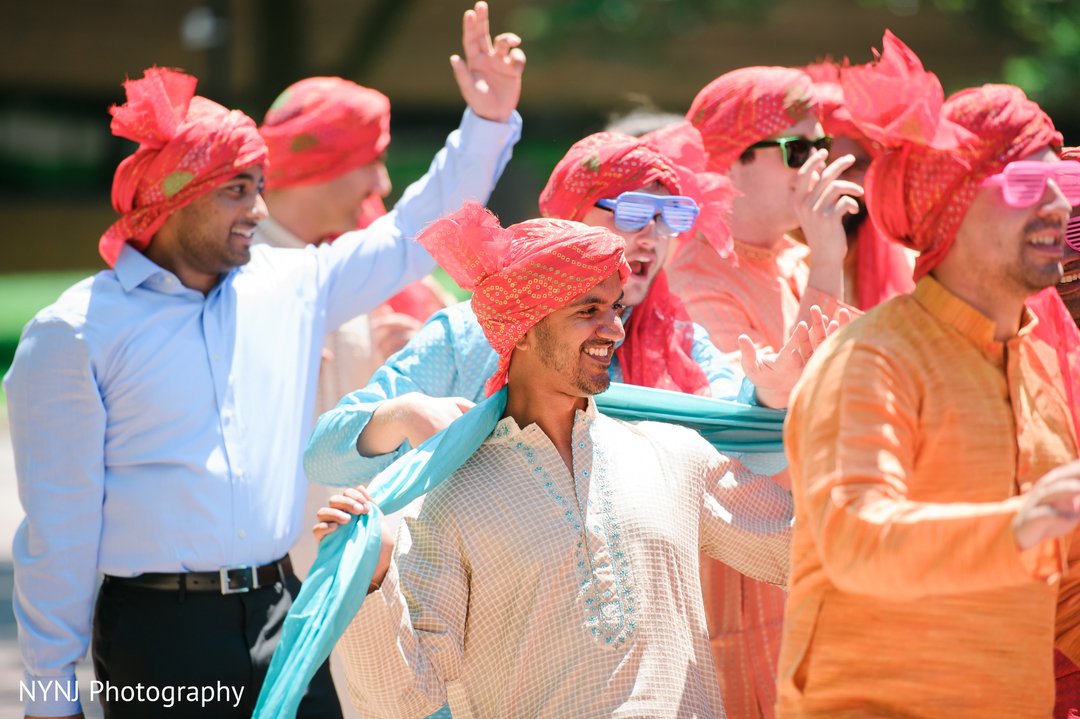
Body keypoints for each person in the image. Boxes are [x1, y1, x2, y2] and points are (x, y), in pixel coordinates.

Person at [3, 4, 524, 717]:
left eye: (259, 186)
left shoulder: (290, 284)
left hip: (290, 607)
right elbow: (54, 541)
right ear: (171, 198)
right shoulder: (73, 333)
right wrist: (47, 702)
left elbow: (414, 232)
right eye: (234, 188)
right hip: (160, 633)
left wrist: (488, 124)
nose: (256, 208)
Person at [314, 202, 794, 718]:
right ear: (520, 329)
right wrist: (371, 581)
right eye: (588, 311)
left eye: (616, 308)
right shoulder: (446, 500)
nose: (614, 329)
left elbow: (810, 550)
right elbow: (400, 703)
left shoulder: (673, 455)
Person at [779, 32, 1080, 717]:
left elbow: (1065, 594)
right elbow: (858, 534)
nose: (1059, 209)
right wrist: (1020, 523)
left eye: (1063, 183)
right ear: (952, 199)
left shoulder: (1033, 374)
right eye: (1028, 184)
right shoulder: (870, 360)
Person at [302, 130, 838, 490]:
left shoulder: (676, 340)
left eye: (669, 215)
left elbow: (756, 453)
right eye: (629, 210)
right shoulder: (470, 333)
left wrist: (769, 392)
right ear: (566, 217)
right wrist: (402, 416)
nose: (650, 235)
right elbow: (326, 454)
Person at [666, 65, 862, 360]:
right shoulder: (693, 285)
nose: (818, 163)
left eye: (822, 146)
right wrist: (826, 260)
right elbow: (777, 397)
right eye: (796, 150)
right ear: (729, 162)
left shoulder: (790, 257)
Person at [803, 61, 915, 309]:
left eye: (853, 167)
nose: (834, 182)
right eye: (822, 165)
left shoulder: (910, 269)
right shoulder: (778, 271)